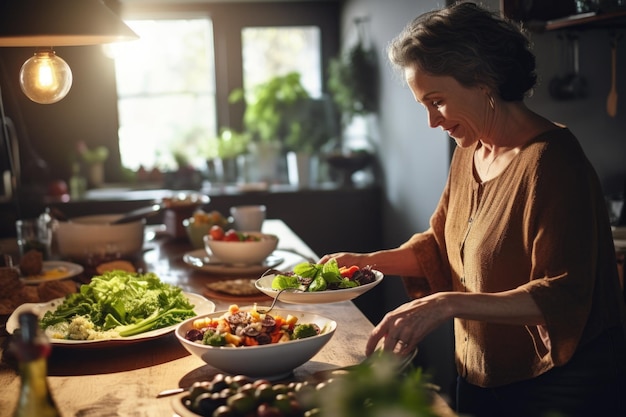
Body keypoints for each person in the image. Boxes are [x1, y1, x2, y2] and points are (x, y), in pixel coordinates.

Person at [319, 2, 626, 417]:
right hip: (478, 376)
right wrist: (363, 263)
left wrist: (448, 303)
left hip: (554, 387)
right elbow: (440, 245)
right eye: (424, 105)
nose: (432, 121)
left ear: (483, 82)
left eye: (438, 101)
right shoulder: (472, 151)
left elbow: (564, 294)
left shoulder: (553, 162)